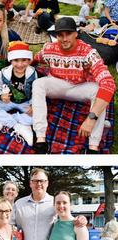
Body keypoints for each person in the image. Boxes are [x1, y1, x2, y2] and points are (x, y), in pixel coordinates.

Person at [31, 17, 116, 154]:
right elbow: (36, 59)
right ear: (56, 35)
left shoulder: (88, 52)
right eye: (60, 35)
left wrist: (91, 118)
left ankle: (93, 145)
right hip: (57, 85)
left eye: (68, 34)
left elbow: (109, 83)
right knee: (38, 83)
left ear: (76, 33)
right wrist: (22, 68)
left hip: (80, 87)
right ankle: (40, 138)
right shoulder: (49, 49)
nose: (64, 39)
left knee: (100, 91)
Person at [0, 41, 37, 145]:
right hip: (8, 101)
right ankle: (18, 126)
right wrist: (1, 96)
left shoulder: (32, 74)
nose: (20, 64)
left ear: (29, 61)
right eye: (16, 60)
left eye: (24, 60)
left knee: (37, 116)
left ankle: (4, 119)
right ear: (11, 60)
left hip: (25, 102)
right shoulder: (4, 73)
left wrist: (33, 105)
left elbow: (36, 91)